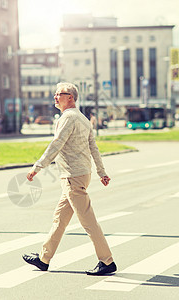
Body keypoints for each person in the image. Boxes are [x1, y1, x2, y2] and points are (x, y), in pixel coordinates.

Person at [22, 82, 116, 276]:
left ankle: (107, 261)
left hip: (73, 177)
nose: (55, 97)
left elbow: (57, 144)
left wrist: (37, 167)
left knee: (89, 222)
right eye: (55, 94)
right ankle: (44, 258)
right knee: (60, 219)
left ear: (70, 97)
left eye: (59, 94)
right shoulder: (82, 118)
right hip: (79, 175)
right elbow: (94, 148)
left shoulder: (68, 118)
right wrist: (101, 172)